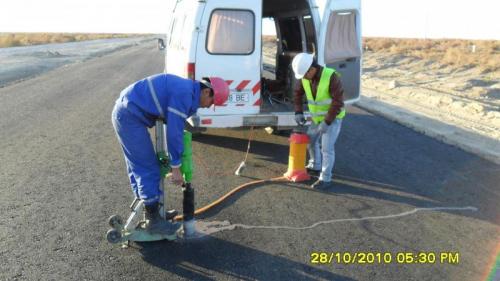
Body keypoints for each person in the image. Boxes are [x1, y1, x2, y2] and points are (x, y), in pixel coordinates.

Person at [111, 74, 229, 234]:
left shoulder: (188, 91)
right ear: (207, 92)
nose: (209, 106)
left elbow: (173, 125)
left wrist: (175, 158)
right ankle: (154, 222)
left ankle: (152, 212)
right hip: (128, 116)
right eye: (212, 102)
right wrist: (176, 167)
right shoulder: (185, 95)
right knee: (147, 167)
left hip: (127, 111)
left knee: (139, 166)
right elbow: (174, 133)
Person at [292, 53, 345, 189]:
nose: (303, 78)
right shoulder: (305, 77)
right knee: (310, 141)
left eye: (305, 74)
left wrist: (327, 122)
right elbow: (297, 93)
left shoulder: (331, 76)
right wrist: (298, 111)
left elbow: (338, 102)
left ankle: (325, 179)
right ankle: (315, 165)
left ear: (312, 69)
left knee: (326, 149)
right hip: (317, 119)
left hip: (333, 118)